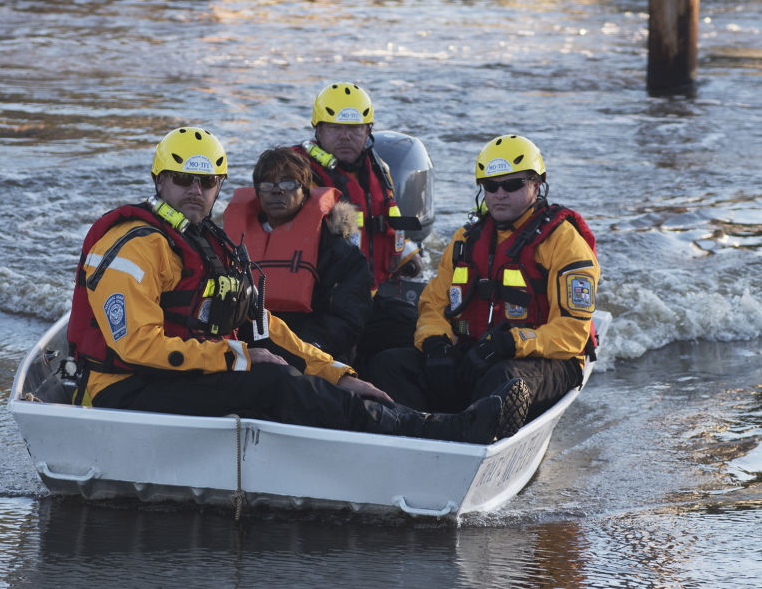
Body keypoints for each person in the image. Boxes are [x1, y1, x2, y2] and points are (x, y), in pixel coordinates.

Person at [67, 126, 507, 444]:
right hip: (121, 388)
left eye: (206, 182)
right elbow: (135, 346)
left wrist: (337, 375)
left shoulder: (206, 243)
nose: (195, 191)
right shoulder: (133, 247)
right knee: (270, 381)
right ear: (160, 180)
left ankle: (403, 419)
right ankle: (420, 431)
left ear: (220, 186)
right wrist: (236, 355)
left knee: (284, 368)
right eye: (183, 180)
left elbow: (262, 326)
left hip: (176, 375)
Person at [364, 134, 598, 439]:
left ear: (536, 184)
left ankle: (475, 434)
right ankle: (424, 429)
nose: (500, 194)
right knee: (389, 365)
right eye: (491, 186)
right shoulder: (465, 239)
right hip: (472, 352)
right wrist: (437, 345)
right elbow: (433, 304)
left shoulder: (563, 241)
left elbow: (571, 332)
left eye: (512, 185)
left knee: (504, 379)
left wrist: (510, 343)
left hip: (544, 359)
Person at [293, 83, 420, 360]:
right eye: (335, 128)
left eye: (354, 129)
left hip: (372, 296)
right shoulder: (297, 172)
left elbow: (385, 218)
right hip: (323, 302)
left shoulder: (379, 168)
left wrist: (406, 251)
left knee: (420, 335)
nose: (345, 136)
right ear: (318, 130)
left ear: (368, 131)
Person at [220, 147, 370, 364]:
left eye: (288, 183)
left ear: (305, 192)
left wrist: (302, 351)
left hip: (314, 352)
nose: (277, 191)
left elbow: (346, 320)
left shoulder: (341, 253)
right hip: (247, 348)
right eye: (267, 183)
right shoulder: (228, 244)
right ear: (257, 191)